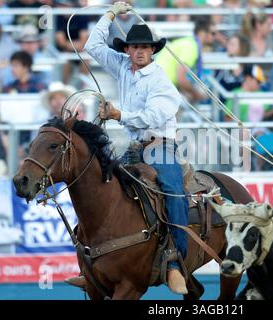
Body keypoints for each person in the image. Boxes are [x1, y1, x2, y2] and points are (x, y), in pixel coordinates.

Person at [82, 1, 189, 295]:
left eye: (145, 46)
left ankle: (175, 261)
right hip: (134, 146)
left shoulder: (161, 81)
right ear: (127, 49)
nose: (139, 51)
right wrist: (110, 13)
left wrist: (118, 115)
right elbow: (92, 45)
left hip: (160, 146)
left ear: (152, 50)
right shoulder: (122, 66)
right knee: (102, 186)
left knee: (172, 191)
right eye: (134, 46)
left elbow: (154, 116)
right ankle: (95, 262)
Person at [156, 16, 216, 103]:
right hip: (160, 90)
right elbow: (181, 79)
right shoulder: (191, 47)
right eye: (213, 33)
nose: (215, 37)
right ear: (203, 33)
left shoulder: (188, 42)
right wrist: (196, 94)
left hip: (160, 88)